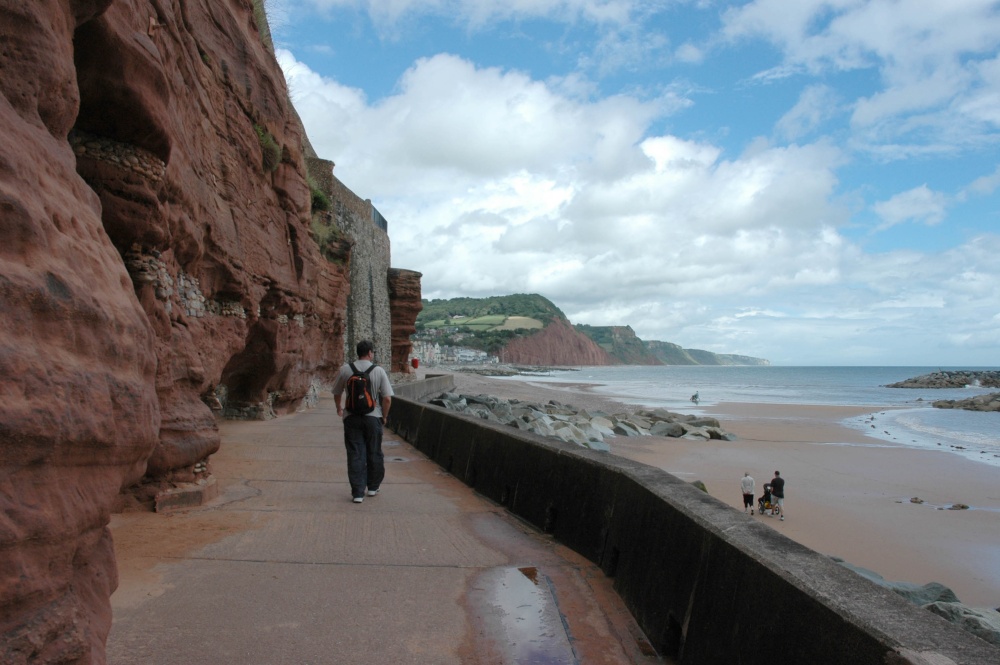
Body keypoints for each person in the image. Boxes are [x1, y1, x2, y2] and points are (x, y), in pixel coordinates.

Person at [332, 340, 394, 504]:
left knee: (355, 453)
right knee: (374, 451)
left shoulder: (346, 369)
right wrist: (384, 416)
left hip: (351, 417)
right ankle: (373, 487)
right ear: (370, 353)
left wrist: (339, 408)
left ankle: (358, 493)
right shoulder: (378, 371)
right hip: (373, 417)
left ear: (358, 352)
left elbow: (336, 392)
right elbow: (387, 398)